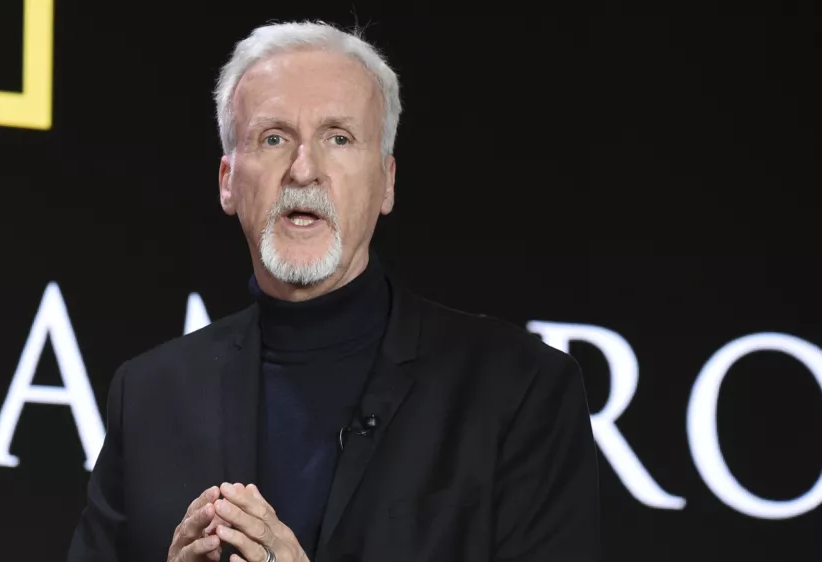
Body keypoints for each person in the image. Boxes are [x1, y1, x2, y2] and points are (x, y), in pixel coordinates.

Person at [67, 20, 601, 562]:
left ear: (386, 181)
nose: (303, 170)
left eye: (338, 138)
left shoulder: (519, 390)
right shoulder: (150, 397)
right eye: (273, 137)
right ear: (228, 180)